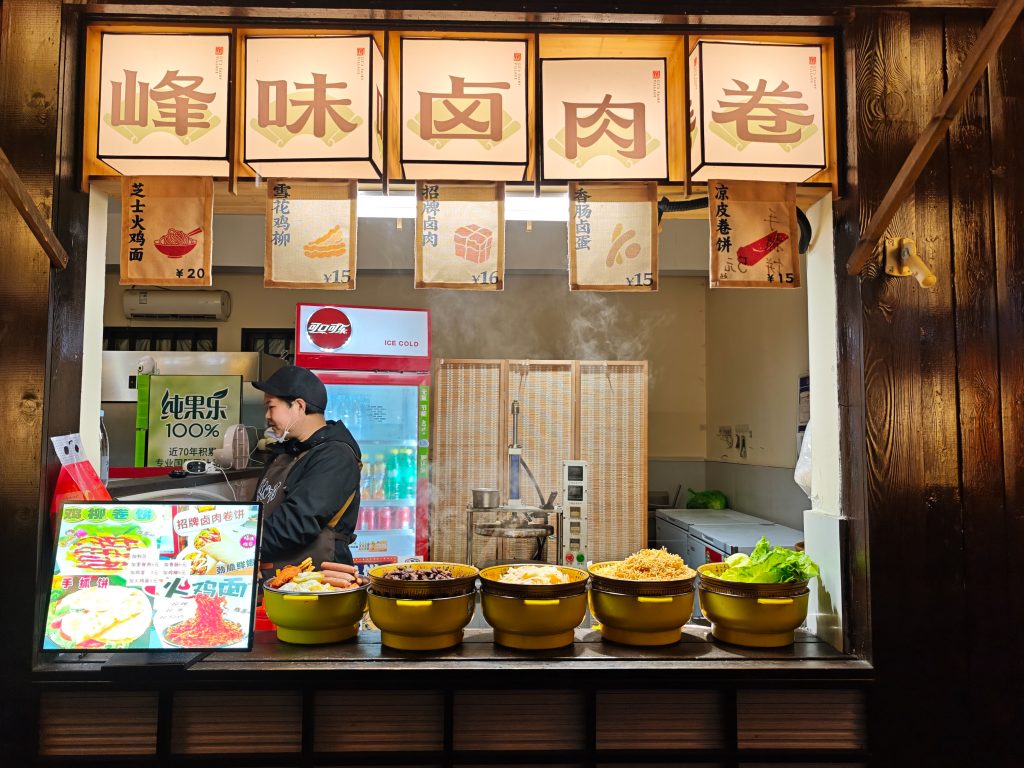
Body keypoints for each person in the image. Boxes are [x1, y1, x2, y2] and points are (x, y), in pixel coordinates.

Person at [252, 364, 362, 588]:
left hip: (317, 583)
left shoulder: (335, 455)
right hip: (280, 581)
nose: (267, 416)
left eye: (271, 407)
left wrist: (243, 548)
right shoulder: (290, 451)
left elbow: (297, 523)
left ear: (299, 406)